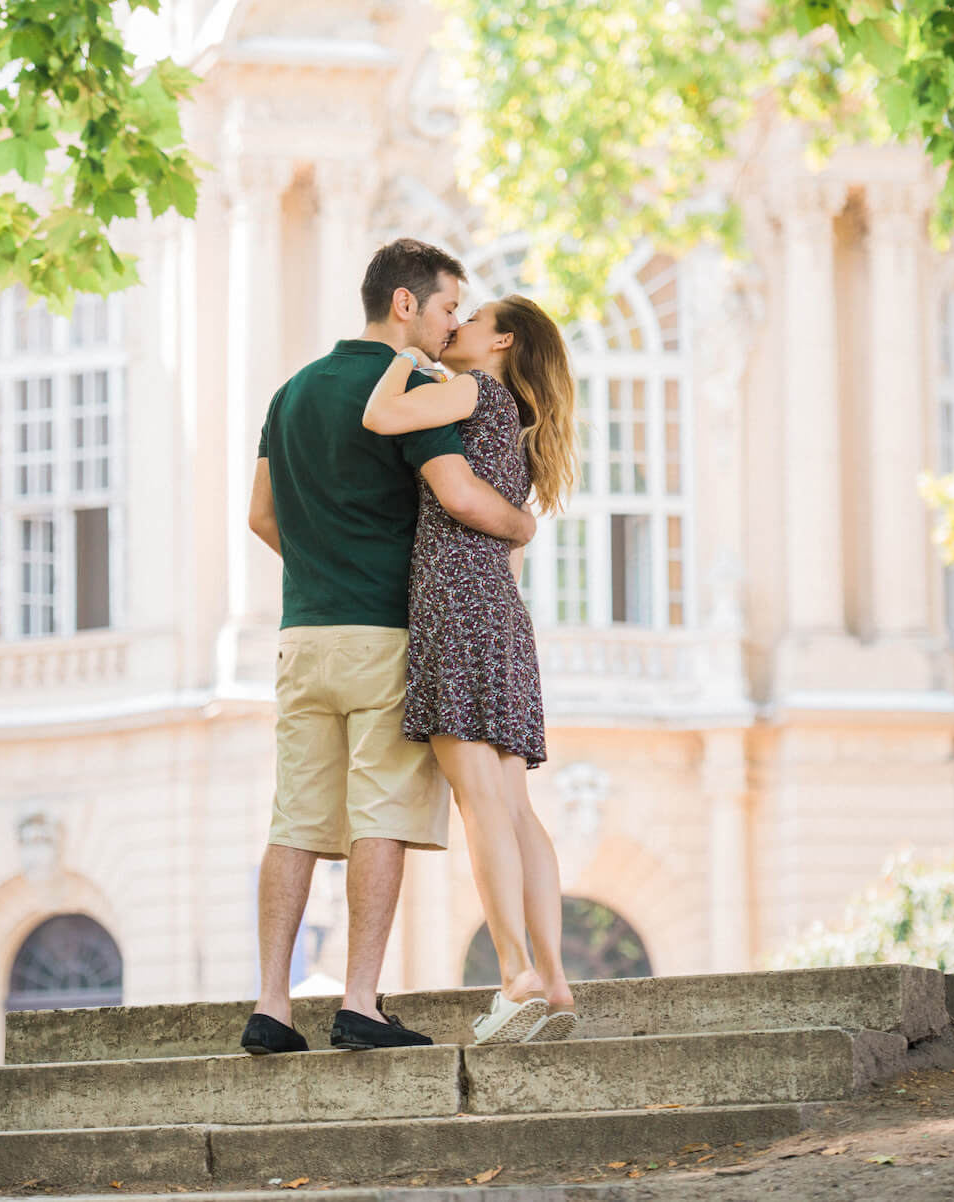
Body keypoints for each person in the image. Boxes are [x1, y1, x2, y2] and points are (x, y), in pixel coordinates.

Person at [241, 239, 537, 1054]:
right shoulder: (417, 386)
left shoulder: (291, 394)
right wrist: (522, 523)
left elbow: (262, 518)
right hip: (386, 636)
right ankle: (360, 1004)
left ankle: (271, 1004)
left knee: (296, 820)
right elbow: (457, 493)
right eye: (447, 308)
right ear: (404, 305)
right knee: (382, 817)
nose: (451, 327)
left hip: (303, 635)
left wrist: (321, 570)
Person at [361, 294, 580, 1044]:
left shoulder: (473, 389)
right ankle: (552, 980)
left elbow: (381, 418)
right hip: (501, 613)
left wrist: (405, 359)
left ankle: (515, 971)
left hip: (455, 609)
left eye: (473, 318)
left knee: (481, 803)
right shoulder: (520, 422)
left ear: (502, 340)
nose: (457, 327)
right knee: (514, 807)